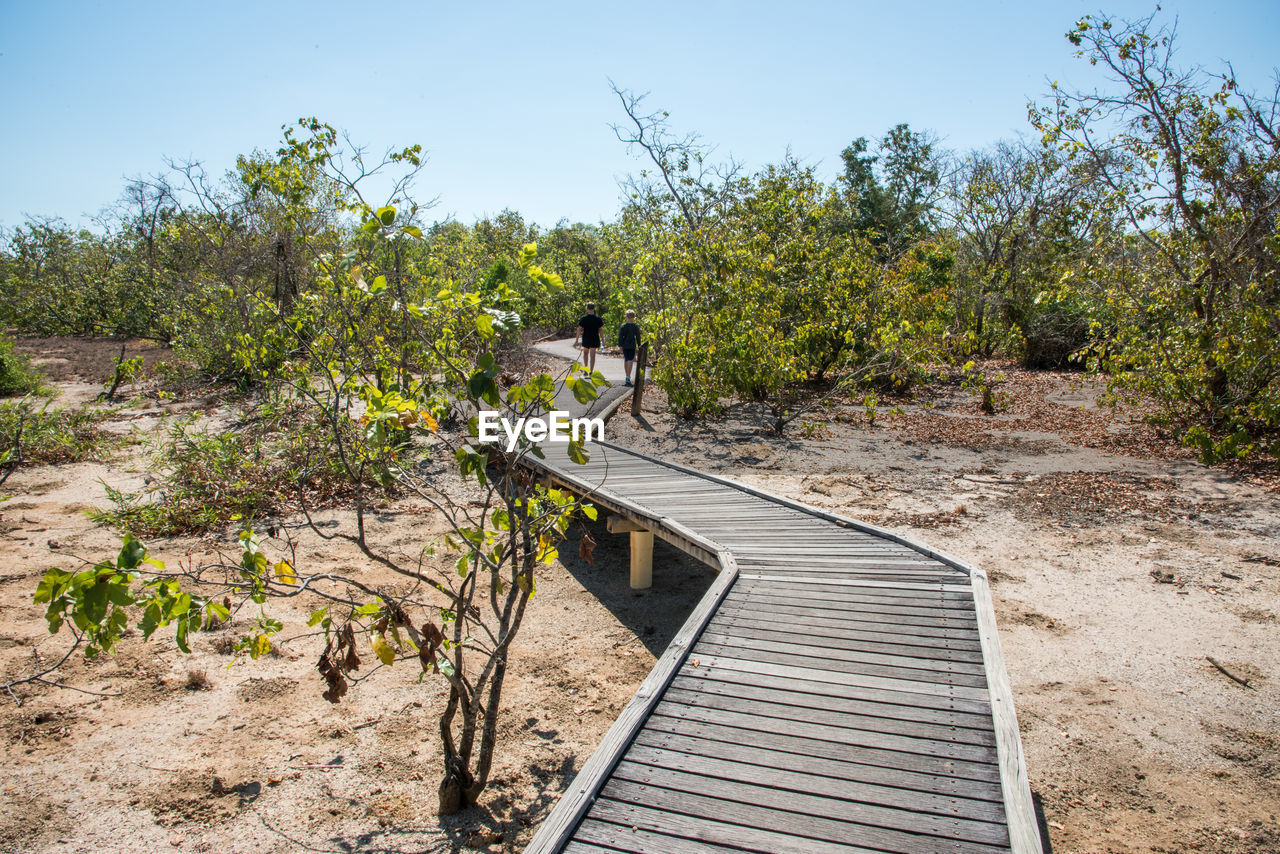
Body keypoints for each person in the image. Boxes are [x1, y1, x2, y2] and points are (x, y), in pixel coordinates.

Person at [573, 302, 604, 372]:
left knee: (585, 354)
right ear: (594, 308)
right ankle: (591, 371)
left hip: (586, 338)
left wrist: (577, 339)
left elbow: (579, 329)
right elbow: (600, 329)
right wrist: (602, 339)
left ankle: (586, 369)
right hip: (595, 338)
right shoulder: (598, 318)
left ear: (587, 308)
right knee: (593, 355)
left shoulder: (584, 318)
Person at [617, 309, 642, 387]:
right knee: (630, 360)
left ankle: (627, 376)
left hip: (625, 346)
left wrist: (620, 346)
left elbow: (620, 337)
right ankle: (628, 376)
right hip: (632, 345)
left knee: (626, 360)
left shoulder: (623, 326)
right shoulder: (635, 326)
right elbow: (638, 337)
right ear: (633, 317)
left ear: (626, 317)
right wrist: (639, 345)